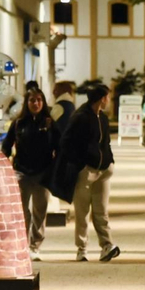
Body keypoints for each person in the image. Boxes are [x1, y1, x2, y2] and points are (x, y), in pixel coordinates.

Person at [51, 84, 120, 262]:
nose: (109, 100)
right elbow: (66, 142)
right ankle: (81, 249)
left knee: (101, 211)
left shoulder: (102, 118)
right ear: (102, 98)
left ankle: (107, 245)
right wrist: (80, 163)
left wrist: (110, 161)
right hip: (85, 171)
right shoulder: (80, 118)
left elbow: (106, 143)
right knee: (82, 213)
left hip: (103, 171)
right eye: (108, 97)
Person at [2, 87, 58, 259]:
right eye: (32, 100)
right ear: (27, 103)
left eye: (39, 100)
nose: (36, 103)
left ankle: (35, 246)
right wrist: (4, 164)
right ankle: (21, 244)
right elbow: (6, 145)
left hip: (43, 173)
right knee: (21, 211)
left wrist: (55, 168)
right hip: (22, 172)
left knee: (39, 211)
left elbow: (59, 146)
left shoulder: (49, 123)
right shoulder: (19, 123)